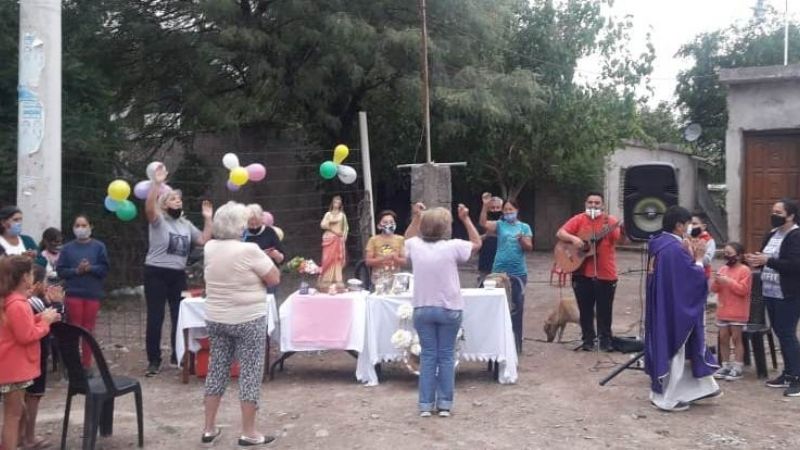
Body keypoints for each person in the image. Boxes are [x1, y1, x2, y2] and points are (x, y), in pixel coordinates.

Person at [201, 202, 280, 446]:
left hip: (216, 317)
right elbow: (273, 278)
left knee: (216, 370)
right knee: (250, 373)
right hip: (248, 318)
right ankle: (249, 431)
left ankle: (209, 428)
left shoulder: (210, 247)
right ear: (239, 225)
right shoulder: (250, 250)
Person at [404, 202, 481, 417]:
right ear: (445, 228)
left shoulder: (415, 245)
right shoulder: (453, 246)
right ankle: (445, 404)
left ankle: (425, 405)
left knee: (428, 356)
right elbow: (477, 242)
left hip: (423, 307)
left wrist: (416, 217)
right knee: (446, 356)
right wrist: (466, 219)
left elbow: (405, 240)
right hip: (450, 308)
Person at [645, 206, 720, 412]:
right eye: (688, 224)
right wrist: (697, 259)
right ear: (679, 225)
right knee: (677, 349)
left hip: (665, 305)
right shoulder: (674, 249)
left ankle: (701, 388)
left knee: (687, 347)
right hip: (676, 310)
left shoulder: (660, 244)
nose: (690, 228)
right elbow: (692, 281)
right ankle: (668, 399)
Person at [144, 164, 213, 377]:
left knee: (179, 314)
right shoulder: (159, 221)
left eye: (179, 199)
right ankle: (154, 360)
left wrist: (208, 218)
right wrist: (156, 184)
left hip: (177, 275)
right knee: (156, 316)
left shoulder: (185, 224)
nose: (178, 202)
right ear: (164, 205)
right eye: (173, 199)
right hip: (155, 272)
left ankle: (178, 355)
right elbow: (149, 209)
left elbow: (202, 240)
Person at [0, 256, 61, 450]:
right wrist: (45, 323)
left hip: (12, 366)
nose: (34, 277)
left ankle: (15, 443)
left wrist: (39, 317)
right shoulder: (17, 304)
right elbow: (25, 336)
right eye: (32, 273)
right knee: (13, 416)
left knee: (17, 412)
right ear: (25, 277)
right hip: (13, 367)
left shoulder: (13, 301)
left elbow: (19, 327)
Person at [745, 198, 800, 397]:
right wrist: (756, 261)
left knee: (787, 333)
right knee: (779, 333)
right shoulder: (772, 234)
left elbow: (794, 265)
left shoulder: (796, 235)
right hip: (769, 291)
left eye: (778, 212)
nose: (774, 215)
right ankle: (787, 373)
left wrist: (769, 260)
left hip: (789, 293)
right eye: (773, 211)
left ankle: (797, 377)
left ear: (790, 215)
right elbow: (765, 258)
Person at [556, 191, 622, 352]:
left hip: (605, 272)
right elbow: (560, 233)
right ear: (586, 204)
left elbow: (617, 239)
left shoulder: (610, 221)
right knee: (585, 309)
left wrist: (614, 228)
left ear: (602, 205)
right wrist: (574, 239)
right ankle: (588, 340)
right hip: (581, 271)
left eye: (597, 203)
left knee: (604, 309)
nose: (593, 205)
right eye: (590, 202)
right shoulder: (579, 219)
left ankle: (605, 340)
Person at [479, 195, 533, 353]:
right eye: (506, 210)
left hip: (518, 272)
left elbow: (529, 247)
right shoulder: (500, 225)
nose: (509, 212)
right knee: (496, 306)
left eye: (511, 209)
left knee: (517, 306)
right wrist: (485, 206)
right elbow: (483, 223)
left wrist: (522, 240)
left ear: (517, 210)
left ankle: (516, 344)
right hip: (498, 271)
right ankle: (496, 342)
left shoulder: (524, 227)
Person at [56, 215, 110, 369]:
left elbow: (105, 269)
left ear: (90, 227)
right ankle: (73, 365)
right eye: (77, 225)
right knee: (74, 329)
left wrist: (90, 268)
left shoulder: (99, 247)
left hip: (92, 294)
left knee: (88, 330)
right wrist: (77, 271)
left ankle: (87, 364)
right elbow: (61, 271)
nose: (80, 228)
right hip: (73, 294)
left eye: (83, 225)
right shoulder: (67, 248)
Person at [22, 265, 65, 450]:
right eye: (46, 281)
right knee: (32, 397)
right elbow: (56, 319)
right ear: (37, 284)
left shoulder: (24, 301)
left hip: (27, 357)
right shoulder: (33, 302)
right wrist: (57, 304)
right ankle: (27, 437)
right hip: (34, 356)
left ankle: (19, 436)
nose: (48, 285)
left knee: (23, 399)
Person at [711, 242, 751, 381]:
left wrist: (728, 281)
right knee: (723, 338)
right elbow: (714, 289)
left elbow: (743, 290)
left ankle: (738, 365)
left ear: (739, 256)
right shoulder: (723, 269)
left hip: (738, 311)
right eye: (725, 254)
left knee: (736, 338)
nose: (727, 256)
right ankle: (725, 364)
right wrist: (717, 281)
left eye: (729, 254)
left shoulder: (745, 270)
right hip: (723, 309)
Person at [245, 204, 285, 295]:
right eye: (251, 224)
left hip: (269, 275)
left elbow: (282, 258)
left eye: (257, 223)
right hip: (249, 277)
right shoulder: (242, 234)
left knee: (269, 303)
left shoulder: (269, 232)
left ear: (262, 219)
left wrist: (277, 255)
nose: (255, 227)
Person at [364, 210, 406, 288]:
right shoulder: (373, 240)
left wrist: (395, 258)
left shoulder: (400, 239)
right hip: (378, 281)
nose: (389, 224)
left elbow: (404, 262)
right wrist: (384, 258)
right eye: (385, 222)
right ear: (379, 226)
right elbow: (368, 262)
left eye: (391, 222)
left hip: (396, 281)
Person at [319, 195, 348, 290]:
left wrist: (342, 237)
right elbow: (323, 224)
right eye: (335, 202)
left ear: (340, 205)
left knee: (337, 259)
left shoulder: (342, 215)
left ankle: (338, 280)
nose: (336, 204)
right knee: (327, 259)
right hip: (329, 239)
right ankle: (326, 281)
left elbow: (345, 228)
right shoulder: (328, 214)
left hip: (337, 240)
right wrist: (331, 227)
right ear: (332, 203)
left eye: (338, 203)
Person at [477, 196, 503, 278]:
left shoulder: (506, 220)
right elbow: (476, 239)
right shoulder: (482, 221)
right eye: (492, 208)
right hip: (486, 259)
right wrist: (487, 235)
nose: (495, 210)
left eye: (498, 207)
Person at [690, 212, 716, 278]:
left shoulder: (709, 240)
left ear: (703, 226)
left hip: (702, 275)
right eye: (689, 224)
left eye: (694, 224)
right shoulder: (686, 238)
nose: (691, 226)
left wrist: (694, 253)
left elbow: (707, 260)